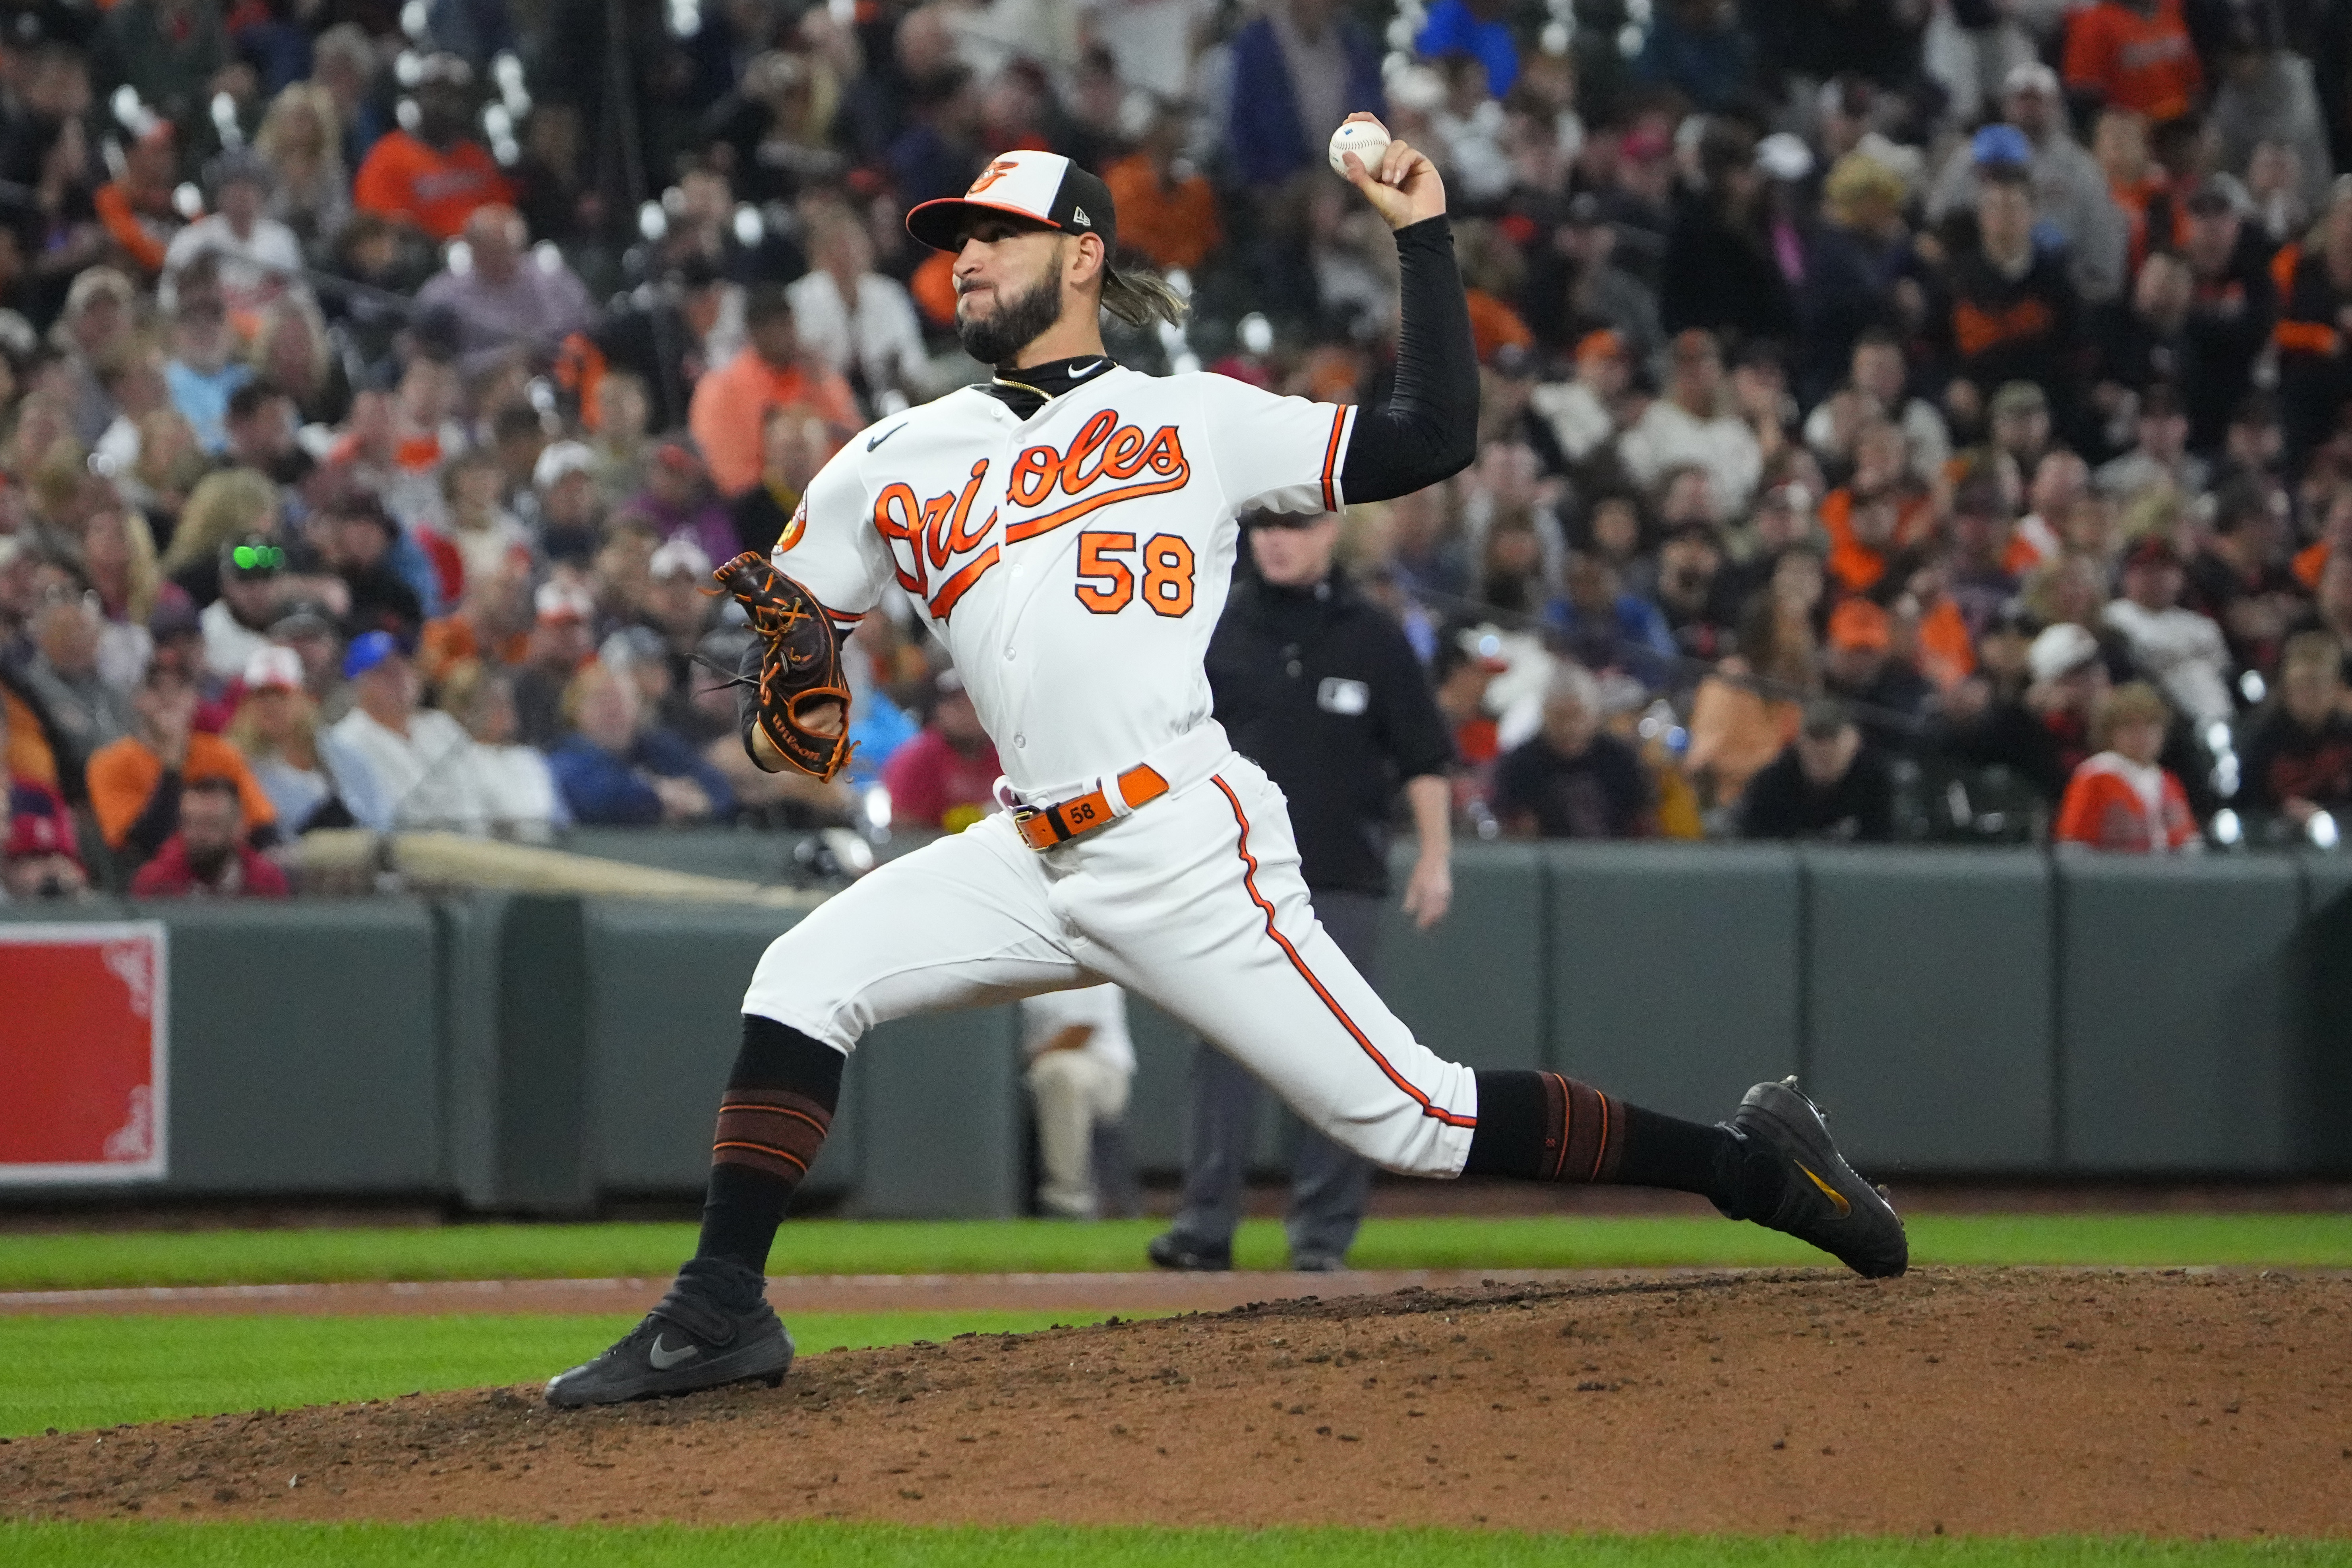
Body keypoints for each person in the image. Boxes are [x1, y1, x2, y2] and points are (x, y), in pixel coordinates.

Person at [545, 127, 1905, 1411]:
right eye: (954, 240)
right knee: (801, 975)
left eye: (997, 236)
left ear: (1081, 254)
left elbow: (1429, 432)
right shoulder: (887, 460)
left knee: (1413, 1116)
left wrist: (1421, 242)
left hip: (1177, 841)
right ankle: (721, 1305)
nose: (964, 258)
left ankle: (1751, 1163)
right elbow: (790, 657)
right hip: (1024, 850)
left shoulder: (1193, 417)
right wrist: (788, 682)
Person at [1149, 505, 1455, 1275]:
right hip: (1229, 873)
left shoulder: (1373, 634)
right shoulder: (1215, 623)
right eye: (1265, 526)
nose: (1277, 539)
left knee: (1338, 1053)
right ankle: (1204, 1222)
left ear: (1330, 533)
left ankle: (1321, 1236)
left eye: (1297, 524)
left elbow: (1422, 754)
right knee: (1221, 1047)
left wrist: (1436, 857)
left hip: (1339, 871)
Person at [86, 663, 279, 867]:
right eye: (156, 689)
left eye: (180, 689)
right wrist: (171, 769)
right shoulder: (110, 762)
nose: (168, 699)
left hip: (223, 869)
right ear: (138, 700)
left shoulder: (222, 754)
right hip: (148, 876)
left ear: (195, 700)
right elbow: (143, 842)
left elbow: (262, 827)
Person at [325, 630, 494, 834]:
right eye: (385, 671)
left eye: (404, 664)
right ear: (359, 685)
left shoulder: (441, 726)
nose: (400, 676)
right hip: (405, 855)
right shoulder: (345, 741)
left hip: (475, 848)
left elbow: (482, 791)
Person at [1019, 982, 1139, 1221]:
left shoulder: (1088, 957)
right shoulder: (1028, 961)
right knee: (1055, 1071)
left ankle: (1068, 1201)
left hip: (1101, 1066)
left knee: (1062, 1073)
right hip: (1040, 1066)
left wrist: (1033, 1058)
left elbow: (1081, 1031)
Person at [1492, 662, 1653, 838]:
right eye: (1560, 716)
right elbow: (1514, 828)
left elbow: (1643, 822)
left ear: (1594, 716)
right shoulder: (1521, 764)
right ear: (1546, 715)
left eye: (1577, 715)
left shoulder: (1620, 760)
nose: (1569, 727)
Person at [2054, 680, 2200, 851]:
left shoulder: (2168, 781)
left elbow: (2189, 844)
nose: (2142, 736)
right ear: (2110, 732)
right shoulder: (2094, 777)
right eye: (2130, 726)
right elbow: (2073, 844)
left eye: (2150, 726)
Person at [1737, 698, 1896, 842]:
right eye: (1814, 737)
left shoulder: (1875, 783)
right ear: (1799, 741)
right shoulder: (1772, 783)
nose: (1822, 748)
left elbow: (1886, 846)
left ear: (1854, 741)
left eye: (1832, 738)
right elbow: (1753, 845)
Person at [128, 773, 292, 897]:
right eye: (190, 823)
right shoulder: (156, 883)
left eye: (211, 825)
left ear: (238, 828)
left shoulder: (266, 881)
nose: (197, 834)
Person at [878, 667, 1000, 832]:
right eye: (959, 705)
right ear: (939, 711)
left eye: (976, 703)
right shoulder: (916, 761)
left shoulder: (1004, 755)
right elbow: (904, 829)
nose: (970, 713)